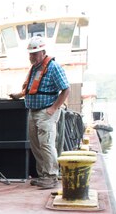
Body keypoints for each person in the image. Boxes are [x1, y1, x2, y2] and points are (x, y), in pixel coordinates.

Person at [9, 35, 70, 189]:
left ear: (43, 52)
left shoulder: (53, 67)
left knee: (47, 144)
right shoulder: (35, 68)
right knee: (36, 145)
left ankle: (51, 176)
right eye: (30, 54)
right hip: (33, 111)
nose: (32, 57)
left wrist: (53, 108)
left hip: (46, 112)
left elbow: (66, 89)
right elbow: (32, 89)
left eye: (34, 54)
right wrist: (19, 94)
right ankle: (43, 175)